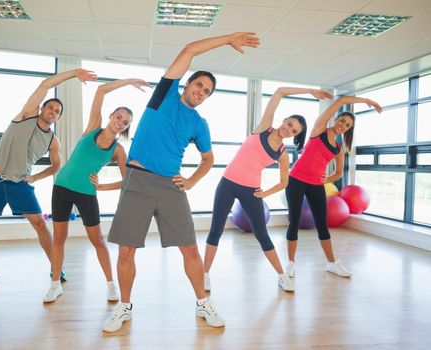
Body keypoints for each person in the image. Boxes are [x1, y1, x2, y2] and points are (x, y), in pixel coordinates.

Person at [101, 32, 260, 333]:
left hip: (170, 188)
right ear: (187, 83)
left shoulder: (200, 124)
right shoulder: (164, 96)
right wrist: (228, 40)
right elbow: (188, 49)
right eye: (199, 84)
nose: (201, 91)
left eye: (208, 91)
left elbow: (208, 159)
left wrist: (191, 181)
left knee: (190, 250)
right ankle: (124, 306)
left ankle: (203, 302)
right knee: (125, 251)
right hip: (137, 180)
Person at [0, 68, 98, 288]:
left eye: (57, 111)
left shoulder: (53, 141)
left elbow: (57, 165)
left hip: (19, 184)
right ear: (42, 109)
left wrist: (35, 178)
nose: (53, 112)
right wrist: (74, 73)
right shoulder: (25, 116)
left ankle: (56, 267)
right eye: (50, 107)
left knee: (40, 225)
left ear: (58, 118)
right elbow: (46, 84)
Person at [203, 87, 332, 293]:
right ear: (284, 119)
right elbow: (280, 92)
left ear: (294, 136)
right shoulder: (264, 127)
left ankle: (282, 276)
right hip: (227, 183)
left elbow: (284, 182)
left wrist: (264, 194)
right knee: (215, 230)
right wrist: (309, 91)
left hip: (251, 190)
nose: (288, 130)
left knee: (262, 234)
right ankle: (205, 274)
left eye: (293, 131)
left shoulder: (282, 154)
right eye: (289, 124)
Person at [42, 78, 151, 303]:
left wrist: (101, 187)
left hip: (86, 193)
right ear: (111, 116)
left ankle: (111, 284)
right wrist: (130, 81)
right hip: (62, 186)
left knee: (98, 240)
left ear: (127, 127)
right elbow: (101, 90)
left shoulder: (118, 150)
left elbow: (127, 181)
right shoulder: (93, 127)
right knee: (59, 237)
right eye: (118, 117)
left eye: (125, 122)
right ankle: (55, 284)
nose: (120, 122)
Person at [285, 96, 382, 279]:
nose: (343, 125)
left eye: (347, 125)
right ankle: (290, 264)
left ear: (348, 130)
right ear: (336, 119)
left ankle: (331, 264)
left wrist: (324, 180)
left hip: (315, 185)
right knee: (294, 221)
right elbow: (341, 100)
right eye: (342, 121)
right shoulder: (319, 129)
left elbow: (338, 174)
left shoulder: (338, 148)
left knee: (322, 224)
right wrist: (370, 101)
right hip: (295, 180)